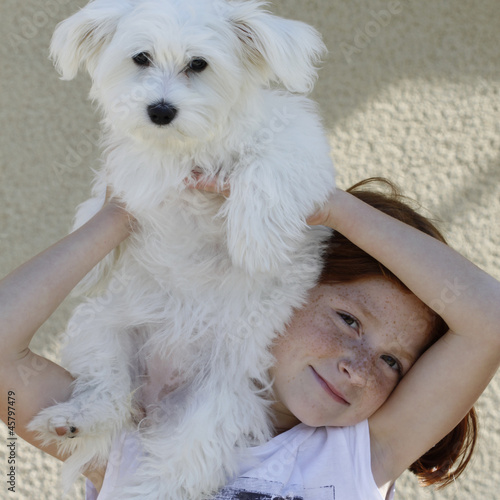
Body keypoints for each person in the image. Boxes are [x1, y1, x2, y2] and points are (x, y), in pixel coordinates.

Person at [0, 177, 499, 500]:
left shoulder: (361, 455)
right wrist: (120, 218)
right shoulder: (139, 437)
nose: (359, 367)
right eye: (349, 320)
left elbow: (489, 322)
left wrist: (332, 208)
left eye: (394, 362)